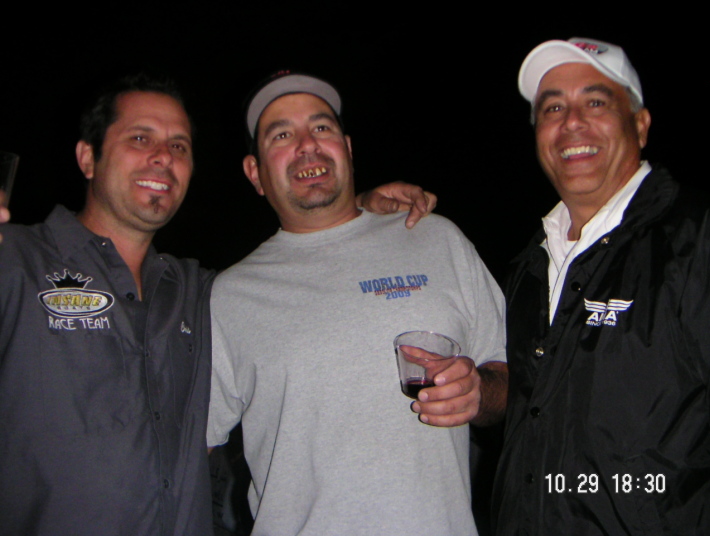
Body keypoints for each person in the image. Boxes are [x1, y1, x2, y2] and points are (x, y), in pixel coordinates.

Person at [0, 74, 435, 536]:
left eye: (179, 146)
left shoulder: (202, 292)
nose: (163, 156)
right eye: (140, 138)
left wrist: (353, 210)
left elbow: (298, 277)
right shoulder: (16, 261)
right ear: (88, 158)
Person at [208, 72, 508, 536]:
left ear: (347, 148)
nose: (307, 145)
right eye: (281, 135)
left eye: (321, 127)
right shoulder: (229, 296)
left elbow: (511, 380)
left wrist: (478, 392)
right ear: (255, 173)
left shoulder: (436, 238)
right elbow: (186, 448)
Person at [492, 38, 710, 535]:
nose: (572, 122)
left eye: (595, 102)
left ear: (641, 124)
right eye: (553, 108)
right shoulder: (530, 267)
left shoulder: (698, 240)